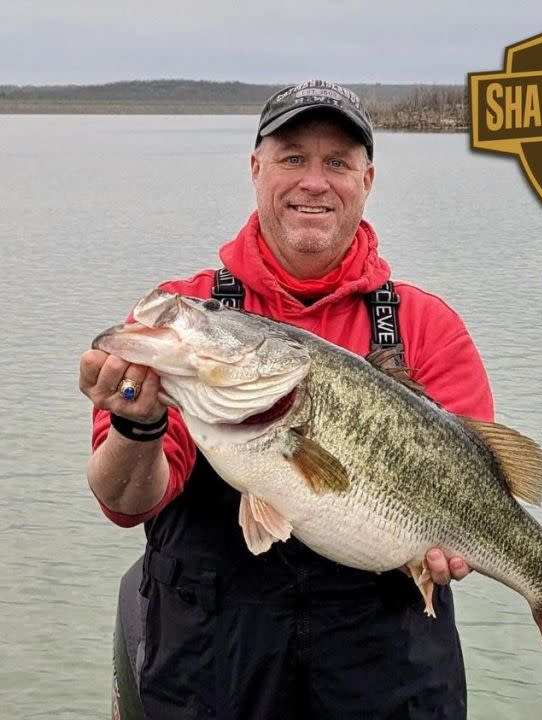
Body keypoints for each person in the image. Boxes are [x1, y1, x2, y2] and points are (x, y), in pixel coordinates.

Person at [80, 79, 494, 720]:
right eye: (293, 157)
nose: (314, 182)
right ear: (255, 169)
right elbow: (125, 502)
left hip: (386, 677)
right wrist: (138, 428)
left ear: (367, 179)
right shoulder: (185, 318)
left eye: (338, 162)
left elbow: (482, 485)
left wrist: (453, 547)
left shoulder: (427, 328)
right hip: (213, 670)